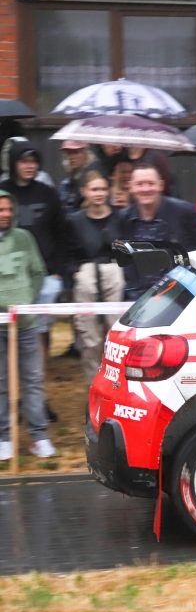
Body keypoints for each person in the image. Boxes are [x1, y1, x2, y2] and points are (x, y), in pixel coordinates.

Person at [0, 139, 68, 365]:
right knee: (7, 331)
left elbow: (61, 232)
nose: (30, 166)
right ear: (13, 163)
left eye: (34, 161)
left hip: (45, 272)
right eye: (24, 161)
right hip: (9, 276)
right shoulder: (4, 194)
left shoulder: (48, 193)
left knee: (41, 328)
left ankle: (39, 374)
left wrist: (57, 269)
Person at [0, 189, 57, 460]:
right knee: (0, 382)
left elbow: (38, 272)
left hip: (27, 324)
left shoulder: (24, 238)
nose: (5, 214)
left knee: (32, 380)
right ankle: (4, 437)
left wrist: (26, 299)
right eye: (0, 209)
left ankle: (39, 436)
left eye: (8, 209)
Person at [115, 164, 196, 300]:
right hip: (139, 299)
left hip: (178, 297)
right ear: (131, 187)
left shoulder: (182, 212)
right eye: (140, 184)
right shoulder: (124, 218)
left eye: (150, 183)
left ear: (161, 185)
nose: (145, 189)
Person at [68, 171, 124, 382]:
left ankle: (118, 382)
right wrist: (75, 272)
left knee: (116, 334)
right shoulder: (74, 221)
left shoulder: (120, 217)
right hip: (86, 278)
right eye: (94, 189)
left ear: (108, 191)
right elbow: (68, 253)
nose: (99, 193)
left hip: (115, 274)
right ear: (84, 191)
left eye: (102, 189)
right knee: (90, 338)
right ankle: (93, 384)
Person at [57, 139, 92, 215]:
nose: (71, 157)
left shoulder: (93, 180)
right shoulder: (65, 183)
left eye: (75, 152)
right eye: (68, 153)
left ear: (86, 154)